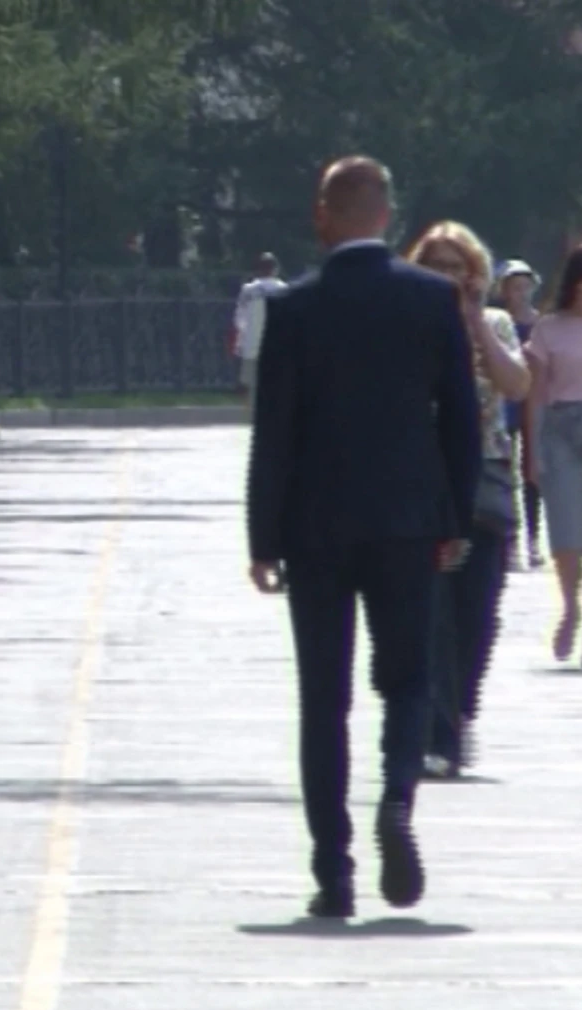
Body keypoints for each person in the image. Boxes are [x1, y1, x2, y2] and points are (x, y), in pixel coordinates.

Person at [246, 156, 481, 919]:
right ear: (387, 215)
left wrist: (263, 536)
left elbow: (272, 436)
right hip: (409, 522)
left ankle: (334, 873)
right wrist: (451, 516)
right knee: (410, 678)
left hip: (315, 528)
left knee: (324, 697)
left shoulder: (295, 310)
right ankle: (399, 797)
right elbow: (461, 418)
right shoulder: (433, 299)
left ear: (323, 215)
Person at [405, 223, 530, 780]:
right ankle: (435, 734)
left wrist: (476, 322)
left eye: (459, 267)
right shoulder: (404, 323)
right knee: (430, 614)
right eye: (438, 265)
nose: (449, 277)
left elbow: (518, 384)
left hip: (485, 481)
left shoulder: (495, 323)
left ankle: (459, 713)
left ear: (476, 274)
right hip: (422, 485)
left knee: (477, 615)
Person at [524, 244, 582, 660]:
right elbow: (535, 394)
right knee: (565, 524)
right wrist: (531, 451)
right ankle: (570, 605)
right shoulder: (548, 328)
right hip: (560, 428)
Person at [498, 259, 545, 569]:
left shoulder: (541, 323)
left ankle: (531, 537)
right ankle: (510, 538)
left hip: (534, 401)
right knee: (504, 469)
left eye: (525, 286)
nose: (521, 293)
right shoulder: (498, 323)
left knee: (532, 472)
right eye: (515, 287)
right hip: (505, 401)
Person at [232, 251, 289, 408]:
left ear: (258, 269)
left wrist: (241, 339)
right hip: (276, 344)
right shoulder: (283, 289)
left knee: (248, 382)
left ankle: (248, 413)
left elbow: (239, 317)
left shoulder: (248, 290)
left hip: (252, 343)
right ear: (275, 269)